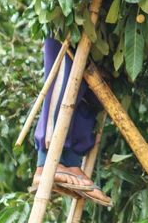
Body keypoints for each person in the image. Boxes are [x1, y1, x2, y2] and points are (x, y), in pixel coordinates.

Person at [30, 37, 112, 206]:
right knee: (65, 74)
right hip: (71, 27)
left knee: (92, 92)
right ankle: (46, 163)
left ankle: (70, 162)